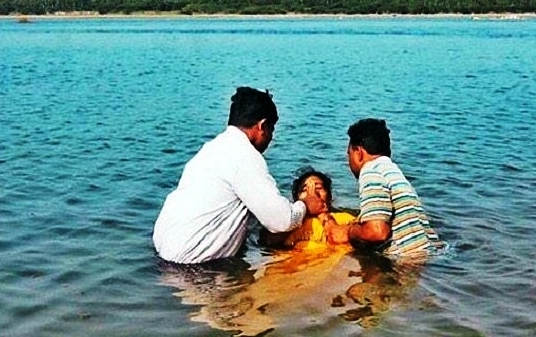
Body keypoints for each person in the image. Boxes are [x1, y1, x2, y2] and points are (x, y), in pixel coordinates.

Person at [152, 87, 326, 264]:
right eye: (272, 130)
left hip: (161, 253)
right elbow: (281, 220)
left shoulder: (210, 150)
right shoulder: (245, 156)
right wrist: (304, 205)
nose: (271, 138)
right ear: (262, 126)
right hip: (191, 266)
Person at [325, 118, 442, 258]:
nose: (348, 161)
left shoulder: (370, 171)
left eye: (348, 154)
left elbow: (377, 232)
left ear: (359, 152)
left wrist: (348, 232)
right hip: (427, 253)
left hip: (407, 262)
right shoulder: (392, 171)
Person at [260, 167, 356, 250]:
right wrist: (304, 208)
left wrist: (322, 215)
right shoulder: (285, 221)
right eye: (305, 190)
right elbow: (267, 241)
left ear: (329, 197)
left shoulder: (344, 219)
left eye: (318, 188)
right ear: (296, 199)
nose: (312, 194)